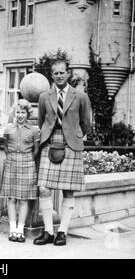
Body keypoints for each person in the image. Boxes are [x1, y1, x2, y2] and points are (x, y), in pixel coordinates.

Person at [33, 60, 92, 246]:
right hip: (50, 143)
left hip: (71, 145)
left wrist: (75, 136)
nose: (59, 76)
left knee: (68, 190)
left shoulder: (80, 96)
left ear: (68, 74)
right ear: (52, 75)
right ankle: (48, 232)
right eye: (55, 73)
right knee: (43, 188)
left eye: (62, 72)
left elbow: (86, 123)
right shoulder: (44, 97)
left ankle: (62, 232)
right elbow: (42, 121)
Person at [1, 99, 39, 243]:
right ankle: (12, 230)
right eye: (18, 112)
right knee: (11, 198)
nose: (20, 115)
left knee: (23, 199)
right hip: (11, 163)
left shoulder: (33, 130)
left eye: (23, 112)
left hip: (27, 164)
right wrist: (12, 157)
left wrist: (27, 160)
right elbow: (5, 146)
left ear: (27, 113)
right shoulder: (8, 129)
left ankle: (20, 230)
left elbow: (36, 150)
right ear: (14, 113)